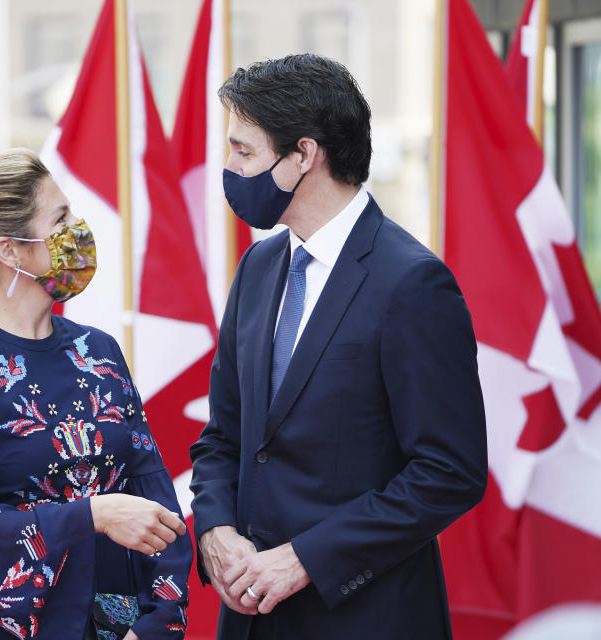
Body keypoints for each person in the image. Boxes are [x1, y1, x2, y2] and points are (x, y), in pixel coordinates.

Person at [189, 54, 488, 639]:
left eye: (243, 151)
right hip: (250, 618)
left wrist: (306, 558)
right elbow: (225, 433)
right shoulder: (258, 265)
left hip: (365, 616)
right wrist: (214, 528)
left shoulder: (412, 283)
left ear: (303, 154)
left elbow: (449, 472)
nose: (229, 168)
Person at [0, 149, 191, 640]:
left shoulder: (98, 352)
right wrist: (93, 515)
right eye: (61, 218)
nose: (79, 227)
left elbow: (158, 503)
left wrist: (158, 624)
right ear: (9, 251)